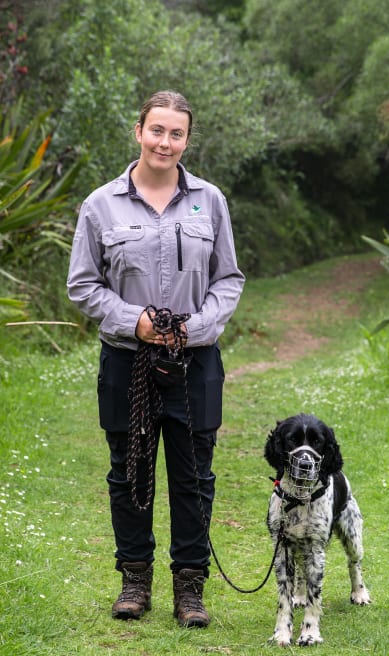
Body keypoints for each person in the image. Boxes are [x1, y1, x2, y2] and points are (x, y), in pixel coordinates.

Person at [66, 90, 244, 628]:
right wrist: (134, 320)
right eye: (157, 130)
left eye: (177, 133)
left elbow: (228, 279)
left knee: (194, 476)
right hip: (127, 361)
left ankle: (190, 589)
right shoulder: (101, 205)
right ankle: (134, 582)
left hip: (195, 362)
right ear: (139, 131)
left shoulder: (209, 201)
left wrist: (198, 328)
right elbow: (82, 285)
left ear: (187, 139)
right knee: (130, 473)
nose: (165, 142)